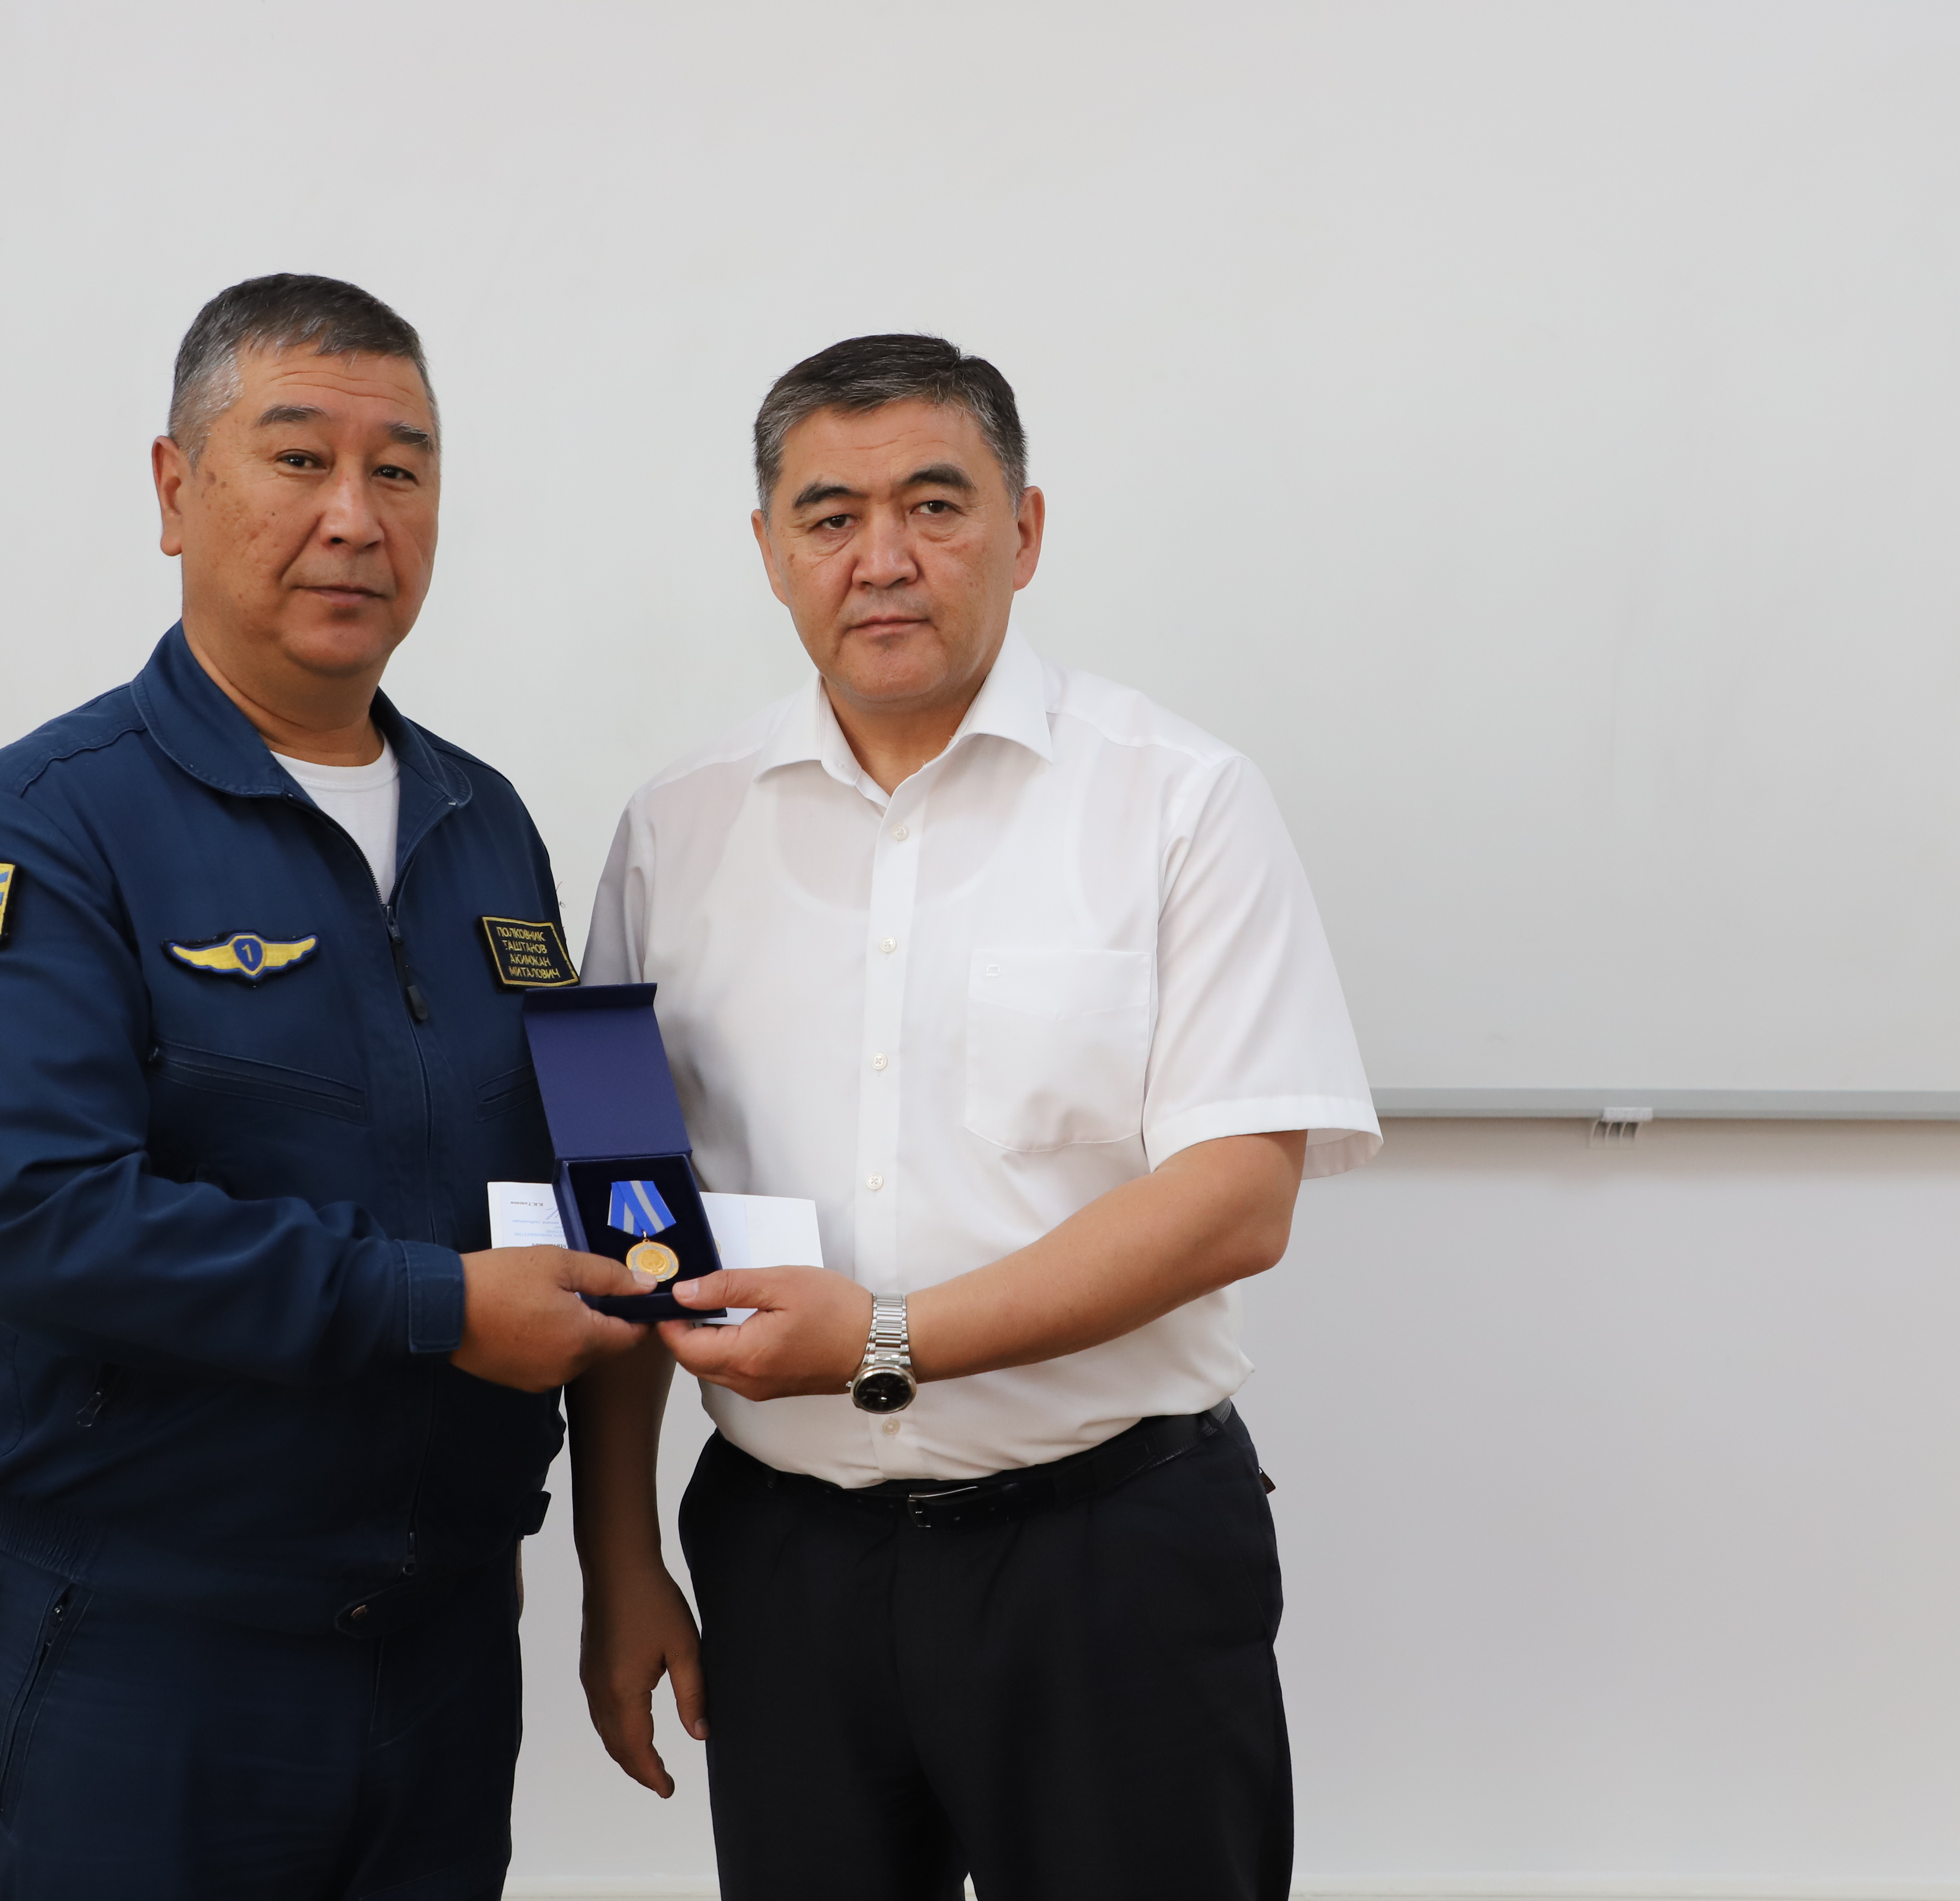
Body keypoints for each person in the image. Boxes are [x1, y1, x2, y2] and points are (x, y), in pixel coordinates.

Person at [568, 334, 1381, 1900]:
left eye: (935, 506)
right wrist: (621, 1559)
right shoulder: (675, 827)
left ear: (1025, 530)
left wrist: (884, 1339)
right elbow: (622, 1211)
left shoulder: (1179, 799)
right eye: (830, 517)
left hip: (1108, 1556)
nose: (882, 558)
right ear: (770, 551)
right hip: (784, 1563)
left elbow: (1237, 1198)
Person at [0, 273, 653, 1901]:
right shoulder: (43, 826)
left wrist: (626, 1538)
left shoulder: (487, 823)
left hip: (447, 1646)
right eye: (300, 459)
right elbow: (37, 1219)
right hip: (156, 1654)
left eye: (402, 470)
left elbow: (604, 1159)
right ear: (177, 490)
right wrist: (440, 1306)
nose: (356, 518)